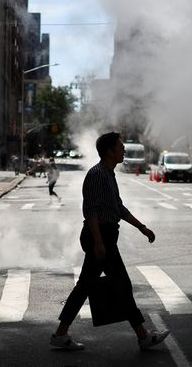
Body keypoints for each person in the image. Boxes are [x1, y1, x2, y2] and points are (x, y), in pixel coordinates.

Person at [50, 132, 169, 352]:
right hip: (100, 237)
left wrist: (142, 227)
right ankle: (142, 336)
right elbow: (91, 211)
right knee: (121, 284)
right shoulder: (97, 175)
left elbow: (118, 208)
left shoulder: (108, 174)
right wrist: (98, 242)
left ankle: (60, 333)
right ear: (109, 151)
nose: (124, 150)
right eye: (120, 147)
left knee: (86, 286)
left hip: (105, 236)